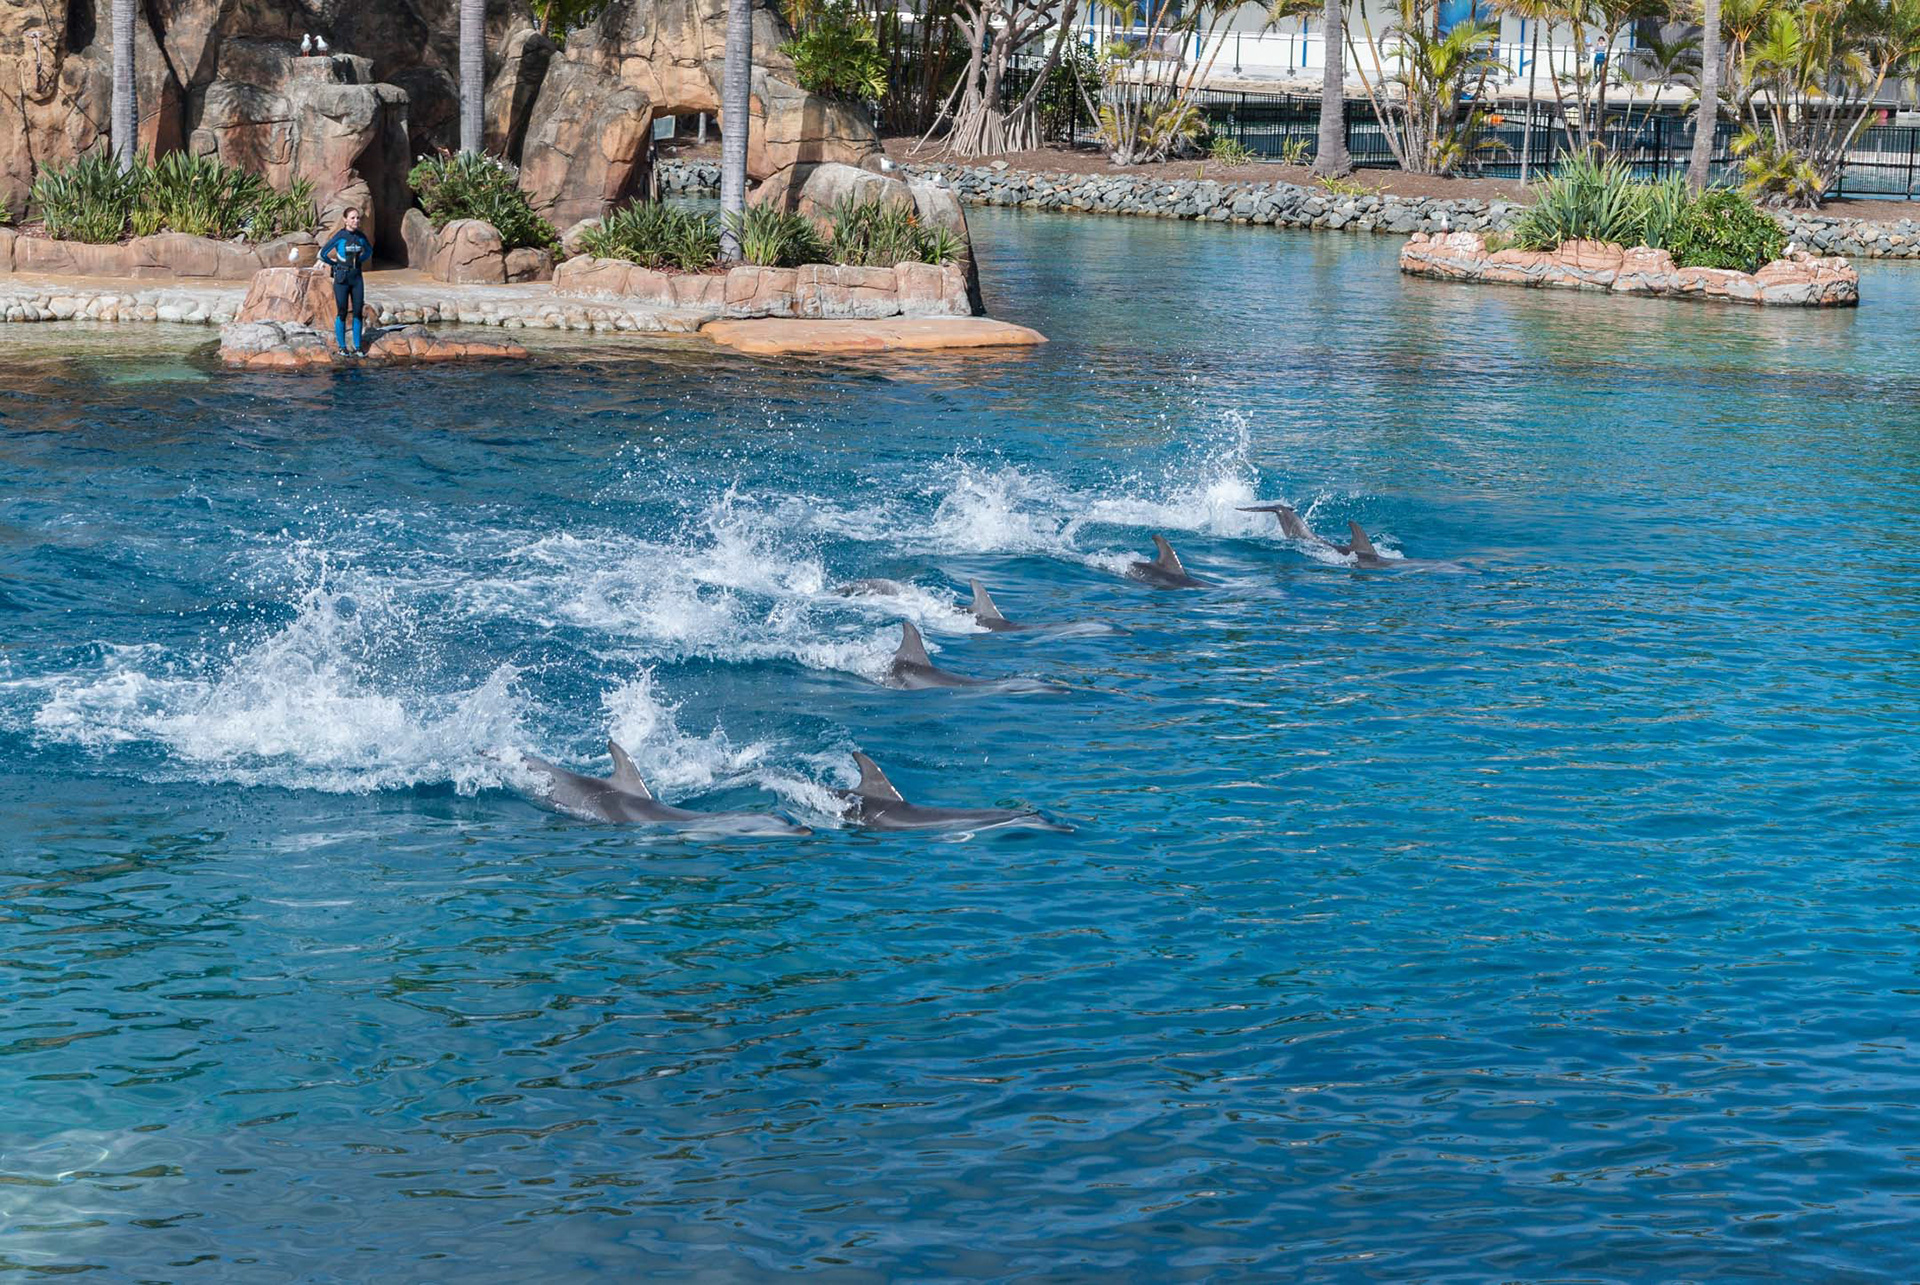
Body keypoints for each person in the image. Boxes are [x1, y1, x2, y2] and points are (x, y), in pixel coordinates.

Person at [319, 208, 372, 357]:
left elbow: (368, 251)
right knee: (342, 311)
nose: (356, 221)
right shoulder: (340, 236)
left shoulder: (361, 237)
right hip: (342, 278)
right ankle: (342, 347)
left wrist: (359, 261)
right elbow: (322, 254)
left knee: (357, 312)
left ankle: (357, 346)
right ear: (345, 220)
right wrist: (334, 264)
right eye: (352, 218)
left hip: (356, 278)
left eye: (357, 218)